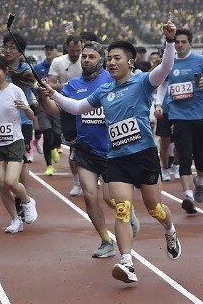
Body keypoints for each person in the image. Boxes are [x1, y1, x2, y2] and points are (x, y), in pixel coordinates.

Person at [42, 24, 181, 283]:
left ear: (130, 62)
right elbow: (76, 107)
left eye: (117, 58)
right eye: (110, 59)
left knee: (155, 209)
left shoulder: (143, 82)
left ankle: (170, 230)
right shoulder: (104, 91)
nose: (112, 63)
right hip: (117, 157)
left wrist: (170, 40)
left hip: (143, 155)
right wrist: (53, 94)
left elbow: (165, 68)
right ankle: (127, 262)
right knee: (122, 209)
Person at [39, 42, 122, 257]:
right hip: (85, 149)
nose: (86, 60)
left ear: (101, 59)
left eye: (91, 57)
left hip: (112, 150)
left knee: (110, 199)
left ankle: (127, 214)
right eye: (84, 56)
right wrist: (45, 96)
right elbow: (55, 110)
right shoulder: (73, 85)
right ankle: (105, 241)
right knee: (89, 195)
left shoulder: (112, 80)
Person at [161, 29, 203, 215]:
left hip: (200, 115)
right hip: (178, 116)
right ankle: (188, 196)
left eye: (183, 42)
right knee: (184, 156)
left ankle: (200, 181)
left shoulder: (201, 61)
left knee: (200, 156)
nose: (179, 45)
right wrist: (158, 105)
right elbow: (163, 85)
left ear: (190, 43)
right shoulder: (169, 62)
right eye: (177, 42)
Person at [0, 55, 38, 233]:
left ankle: (28, 201)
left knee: (11, 181)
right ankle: (15, 220)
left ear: (6, 71)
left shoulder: (15, 91)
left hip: (14, 141)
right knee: (3, 185)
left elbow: (31, 116)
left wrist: (25, 108)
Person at [47, 33, 84, 197]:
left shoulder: (87, 59)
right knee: (73, 147)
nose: (75, 54)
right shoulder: (58, 62)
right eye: (72, 50)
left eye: (78, 50)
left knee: (92, 144)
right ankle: (76, 182)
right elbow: (51, 83)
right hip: (67, 107)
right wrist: (69, 86)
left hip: (88, 107)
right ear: (66, 48)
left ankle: (92, 174)